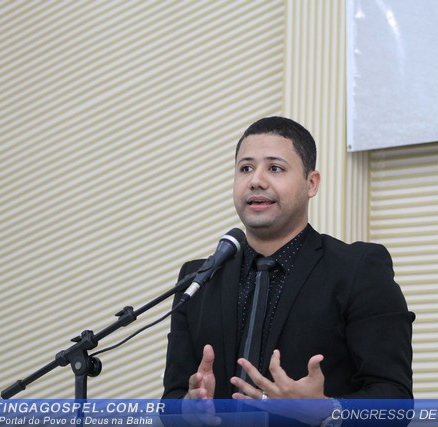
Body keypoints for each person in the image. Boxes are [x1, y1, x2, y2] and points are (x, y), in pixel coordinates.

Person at [162, 116, 414, 423]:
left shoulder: (357, 269)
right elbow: (171, 401)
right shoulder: (200, 279)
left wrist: (327, 410)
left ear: (311, 183)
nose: (256, 181)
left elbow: (395, 400)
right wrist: (187, 410)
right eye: (245, 168)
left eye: (275, 168)